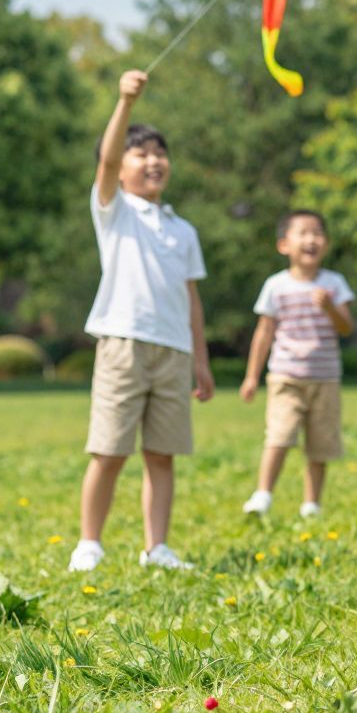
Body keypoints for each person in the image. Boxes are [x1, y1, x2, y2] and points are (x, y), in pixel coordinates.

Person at [69, 69, 215, 573]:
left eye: (160, 153)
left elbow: (191, 301)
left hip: (172, 352)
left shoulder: (183, 229)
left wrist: (202, 362)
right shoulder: (116, 211)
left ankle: (157, 548)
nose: (153, 161)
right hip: (123, 345)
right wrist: (124, 102)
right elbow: (106, 158)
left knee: (162, 454)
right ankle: (90, 542)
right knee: (109, 451)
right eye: (142, 153)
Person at [240, 209, 355, 518]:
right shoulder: (276, 286)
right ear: (284, 245)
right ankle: (263, 494)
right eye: (302, 233)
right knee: (279, 435)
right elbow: (264, 333)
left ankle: (311, 504)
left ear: (326, 244)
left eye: (317, 233)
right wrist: (252, 377)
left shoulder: (334, 284)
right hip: (286, 375)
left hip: (325, 378)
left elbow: (346, 327)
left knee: (320, 444)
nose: (311, 239)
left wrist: (330, 307)